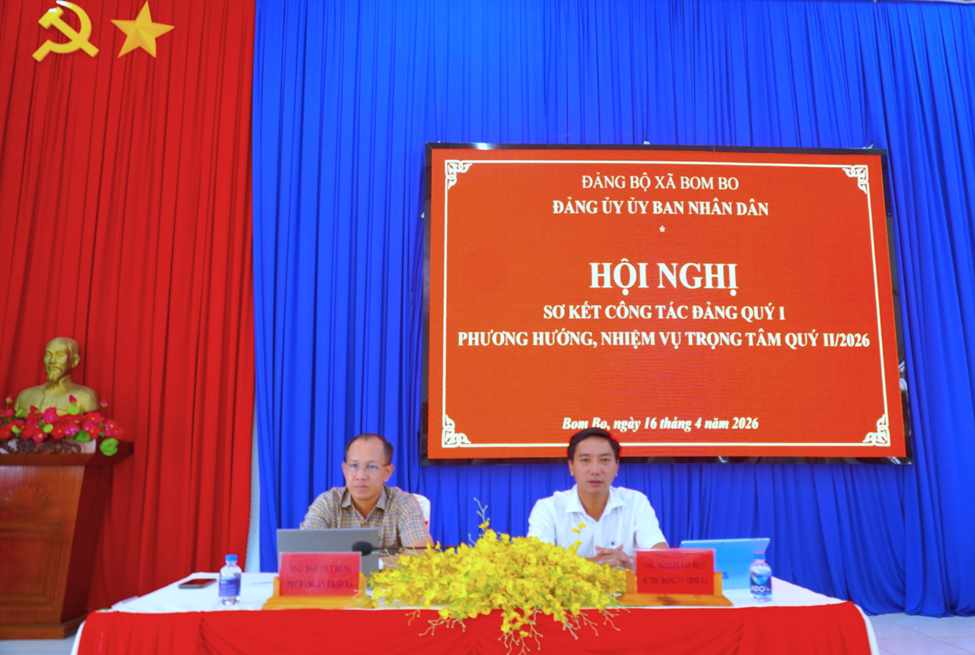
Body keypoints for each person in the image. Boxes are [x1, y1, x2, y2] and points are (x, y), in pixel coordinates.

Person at [527, 428, 667, 570]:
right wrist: (596, 564)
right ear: (571, 467)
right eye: (585, 460)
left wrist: (629, 562)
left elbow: (662, 557)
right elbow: (538, 564)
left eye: (604, 460)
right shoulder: (548, 509)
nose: (595, 470)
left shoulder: (636, 502)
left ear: (616, 467)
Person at [301, 433, 431, 549]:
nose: (361, 476)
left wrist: (372, 564)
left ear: (387, 472)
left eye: (371, 467)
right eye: (354, 466)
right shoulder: (328, 502)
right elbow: (302, 550)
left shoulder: (402, 503)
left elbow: (422, 552)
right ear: (345, 470)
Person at [15, 337, 99, 414]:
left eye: (60, 355)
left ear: (75, 361)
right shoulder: (24, 396)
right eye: (48, 355)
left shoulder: (86, 397)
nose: (52, 361)